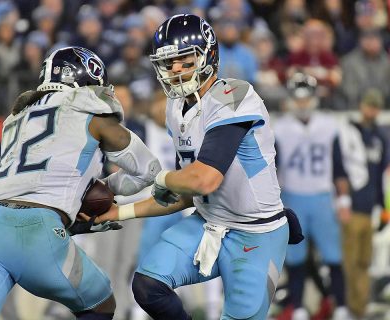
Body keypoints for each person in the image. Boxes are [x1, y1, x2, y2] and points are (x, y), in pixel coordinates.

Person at [85, 14, 302, 320]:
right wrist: (118, 211)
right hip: (207, 220)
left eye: (185, 60)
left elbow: (204, 180)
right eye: (169, 62)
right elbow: (184, 193)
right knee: (148, 285)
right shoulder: (176, 107)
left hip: (255, 233)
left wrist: (157, 177)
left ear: (208, 55)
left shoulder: (234, 96)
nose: (176, 69)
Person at [0, 46, 161, 320]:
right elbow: (149, 170)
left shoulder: (15, 117)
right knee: (101, 303)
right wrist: (105, 189)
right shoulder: (93, 115)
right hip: (36, 231)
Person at [273, 72, 351, 320]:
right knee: (295, 258)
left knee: (334, 256)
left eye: (306, 99)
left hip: (321, 196)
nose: (303, 104)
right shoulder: (279, 128)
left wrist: (344, 200)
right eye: (298, 99)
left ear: (314, 99)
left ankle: (340, 306)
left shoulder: (328, 125)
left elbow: (338, 166)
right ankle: (297, 307)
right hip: (292, 197)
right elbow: (272, 170)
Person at [340, 88, 388, 318]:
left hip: (371, 207)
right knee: (350, 260)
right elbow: (341, 170)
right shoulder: (350, 132)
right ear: (361, 106)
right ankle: (350, 306)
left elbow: (381, 175)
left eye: (375, 106)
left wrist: (381, 206)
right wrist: (343, 201)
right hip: (354, 205)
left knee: (364, 260)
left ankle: (361, 305)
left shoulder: (380, 136)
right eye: (369, 105)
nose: (372, 110)